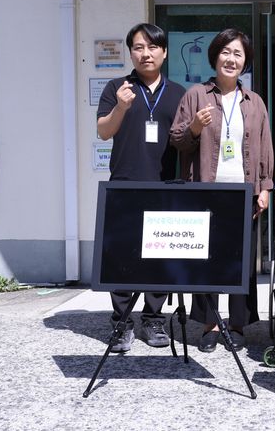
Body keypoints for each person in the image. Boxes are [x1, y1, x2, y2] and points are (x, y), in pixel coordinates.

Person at [170, 28, 273, 353]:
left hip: (243, 192)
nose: (231, 59)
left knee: (241, 261)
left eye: (238, 54)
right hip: (206, 191)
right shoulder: (196, 94)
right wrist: (196, 127)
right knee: (206, 259)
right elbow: (178, 140)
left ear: (245, 62)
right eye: (226, 52)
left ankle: (239, 324)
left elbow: (264, 145)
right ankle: (211, 324)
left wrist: (265, 187)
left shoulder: (254, 101)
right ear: (215, 57)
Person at [96, 23, 186, 352]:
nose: (145, 53)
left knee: (159, 253)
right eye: (137, 47)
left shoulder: (179, 93)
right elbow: (104, 132)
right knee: (121, 254)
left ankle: (153, 318)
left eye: (152, 47)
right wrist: (121, 106)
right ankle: (121, 323)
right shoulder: (116, 87)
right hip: (124, 183)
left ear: (164, 52)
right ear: (130, 52)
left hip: (165, 184)